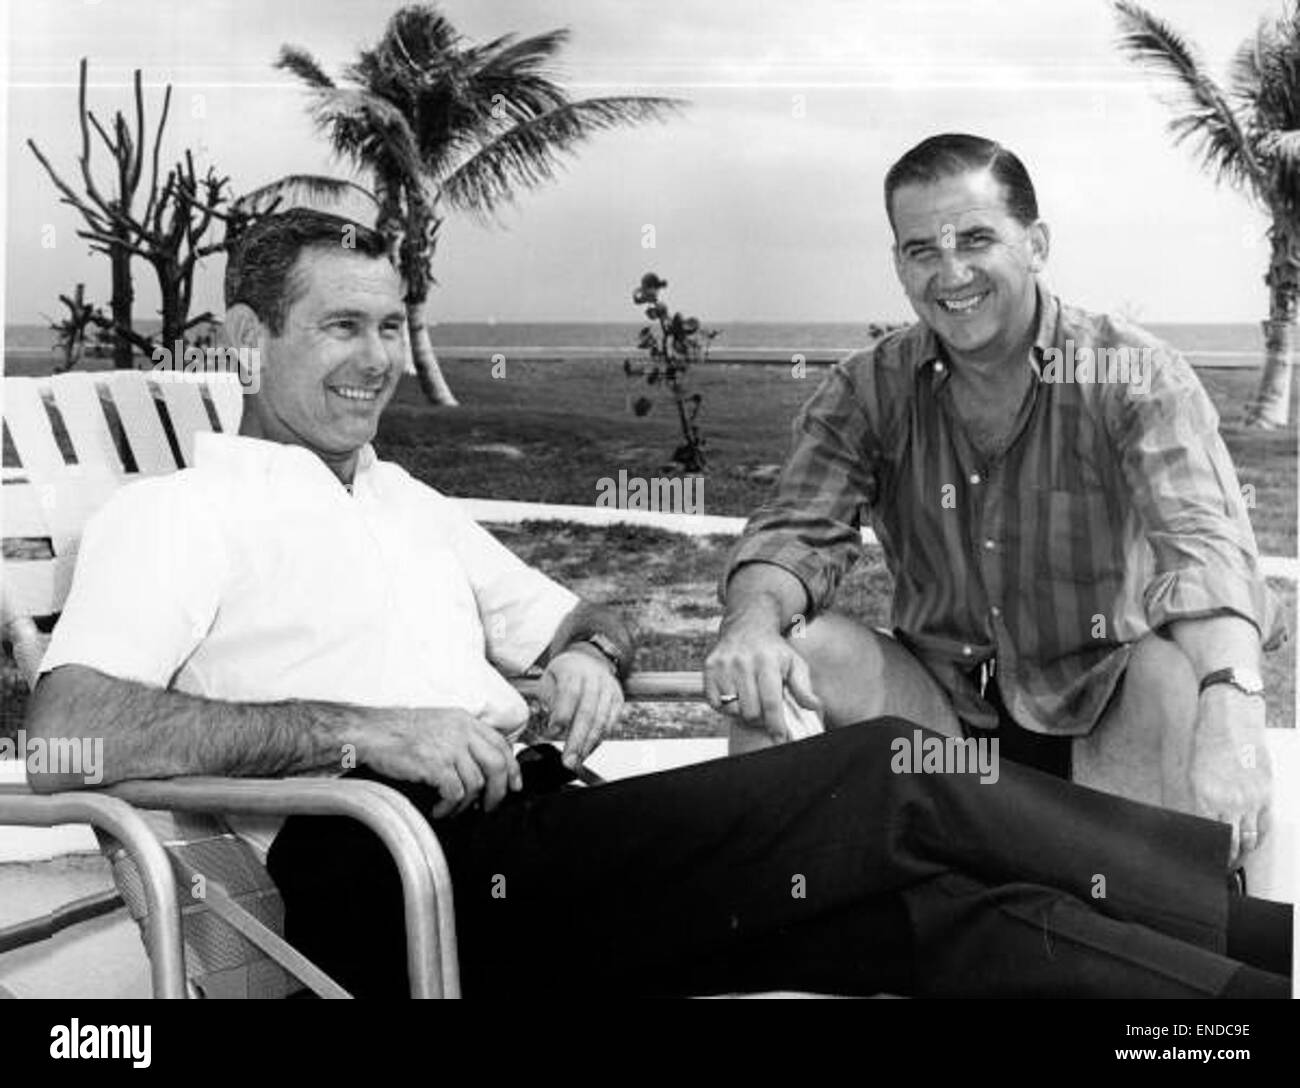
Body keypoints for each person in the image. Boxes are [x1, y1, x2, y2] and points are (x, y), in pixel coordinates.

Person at [24, 209, 1290, 998]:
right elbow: (70, 731)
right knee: (900, 774)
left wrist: (592, 651)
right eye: (339, 327)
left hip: (553, 843)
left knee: (950, 917)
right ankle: (1262, 923)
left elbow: (585, 616)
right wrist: (368, 731)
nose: (378, 360)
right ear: (247, 336)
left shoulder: (399, 501)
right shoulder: (182, 512)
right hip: (396, 875)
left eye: (393, 325)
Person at [707, 133, 1286, 876]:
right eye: (922, 250)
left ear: (1035, 243)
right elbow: (796, 530)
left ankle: (1238, 970)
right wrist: (753, 622)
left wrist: (1232, 698)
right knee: (787, 656)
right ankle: (786, 932)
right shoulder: (867, 389)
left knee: (1195, 689)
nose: (952, 274)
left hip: (1105, 706)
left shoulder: (1132, 374)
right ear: (898, 264)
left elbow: (1203, 541)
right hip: (938, 712)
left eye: (977, 238)